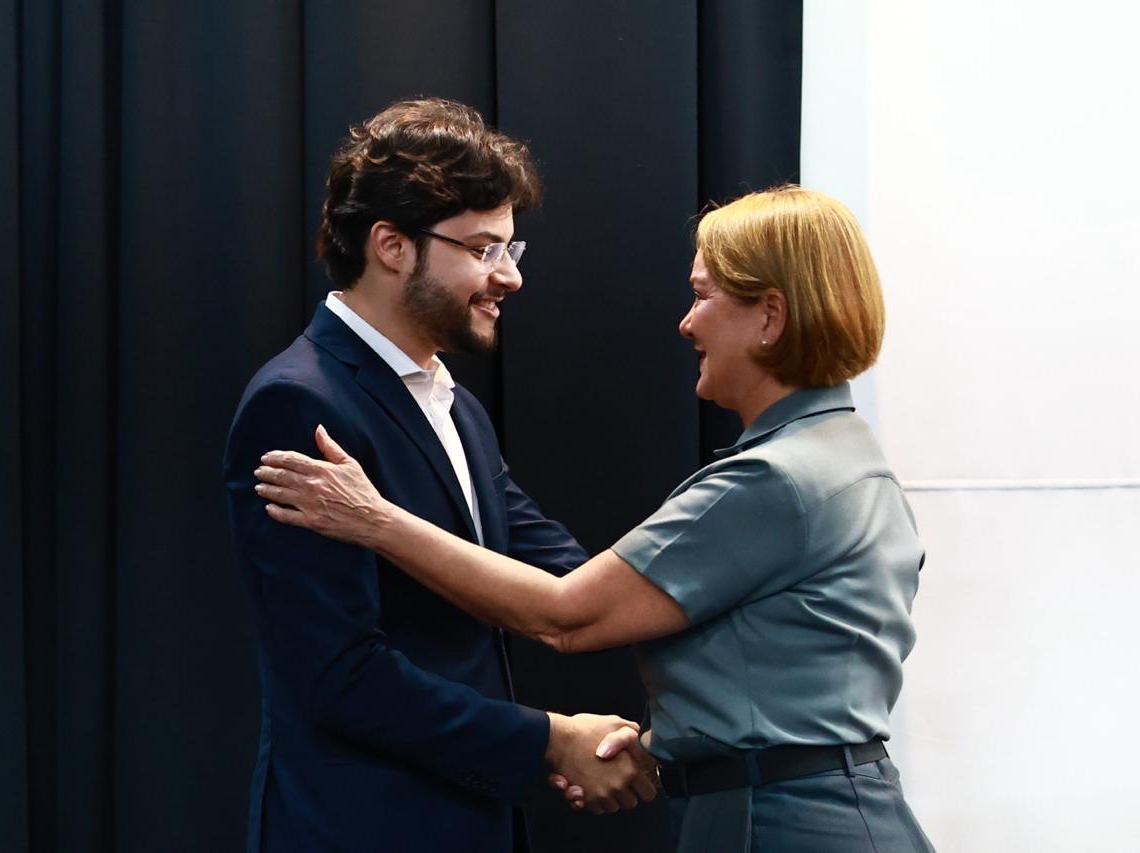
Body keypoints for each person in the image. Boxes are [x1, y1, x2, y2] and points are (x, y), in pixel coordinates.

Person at [254, 186, 936, 851]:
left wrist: (373, 519)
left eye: (703, 295)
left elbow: (567, 613)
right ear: (390, 247)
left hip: (783, 823)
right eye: (484, 247)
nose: (686, 322)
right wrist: (630, 744)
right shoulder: (843, 454)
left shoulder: (777, 478)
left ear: (771, 316)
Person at [223, 97, 655, 853]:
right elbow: (341, 676)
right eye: (484, 249)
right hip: (360, 829)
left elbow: (565, 573)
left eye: (512, 250)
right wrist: (549, 739)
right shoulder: (299, 403)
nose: (509, 277)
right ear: (391, 245)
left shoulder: (456, 407)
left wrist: (713, 604)